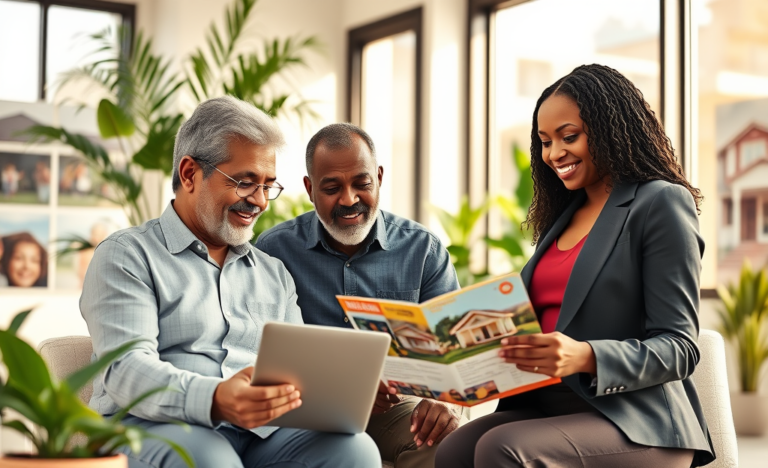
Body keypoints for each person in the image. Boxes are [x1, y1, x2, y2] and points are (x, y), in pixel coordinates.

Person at [435, 64, 715, 468]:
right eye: (545, 142)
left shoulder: (660, 203)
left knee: (502, 448)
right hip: (551, 407)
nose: (553, 154)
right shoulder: (566, 214)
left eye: (569, 137)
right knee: (455, 450)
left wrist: (586, 356)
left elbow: (679, 347)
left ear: (609, 128)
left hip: (638, 421)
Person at [80, 97, 380, 468]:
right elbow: (125, 369)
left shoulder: (273, 273)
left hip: (260, 435)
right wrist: (217, 398)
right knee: (212, 460)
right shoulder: (127, 255)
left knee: (355, 449)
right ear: (189, 174)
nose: (259, 201)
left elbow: (299, 375)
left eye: (268, 185)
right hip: (152, 427)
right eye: (244, 183)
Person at [256, 123, 463, 468]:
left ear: (379, 177)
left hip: (396, 408)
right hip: (307, 407)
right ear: (309, 189)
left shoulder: (423, 249)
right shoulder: (275, 250)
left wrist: (448, 403)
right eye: (332, 187)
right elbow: (258, 348)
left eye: (361, 184)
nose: (349, 199)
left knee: (442, 443)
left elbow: (453, 351)